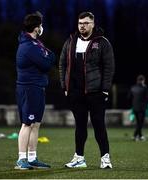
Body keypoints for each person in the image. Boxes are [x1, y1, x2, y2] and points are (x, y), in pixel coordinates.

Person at [59, 12, 115, 168]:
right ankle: (79, 158)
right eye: (79, 23)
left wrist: (105, 89)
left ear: (92, 24)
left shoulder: (102, 42)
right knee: (80, 126)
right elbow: (62, 64)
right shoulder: (71, 41)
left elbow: (109, 67)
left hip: (96, 92)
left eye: (85, 23)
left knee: (99, 125)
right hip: (76, 93)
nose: (82, 26)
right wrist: (65, 86)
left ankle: (105, 158)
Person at [15, 11, 55, 170]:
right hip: (29, 88)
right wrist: (48, 56)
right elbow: (47, 63)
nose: (42, 28)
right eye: (40, 25)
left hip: (38, 87)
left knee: (36, 124)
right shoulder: (28, 46)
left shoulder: (36, 43)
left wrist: (48, 56)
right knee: (27, 123)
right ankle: (21, 159)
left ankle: (32, 158)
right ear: (37, 27)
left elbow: (50, 56)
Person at [129, 75, 148, 141]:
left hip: (135, 108)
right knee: (140, 123)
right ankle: (135, 136)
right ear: (143, 80)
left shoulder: (133, 88)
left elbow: (129, 97)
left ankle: (140, 136)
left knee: (138, 122)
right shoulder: (144, 88)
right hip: (142, 108)